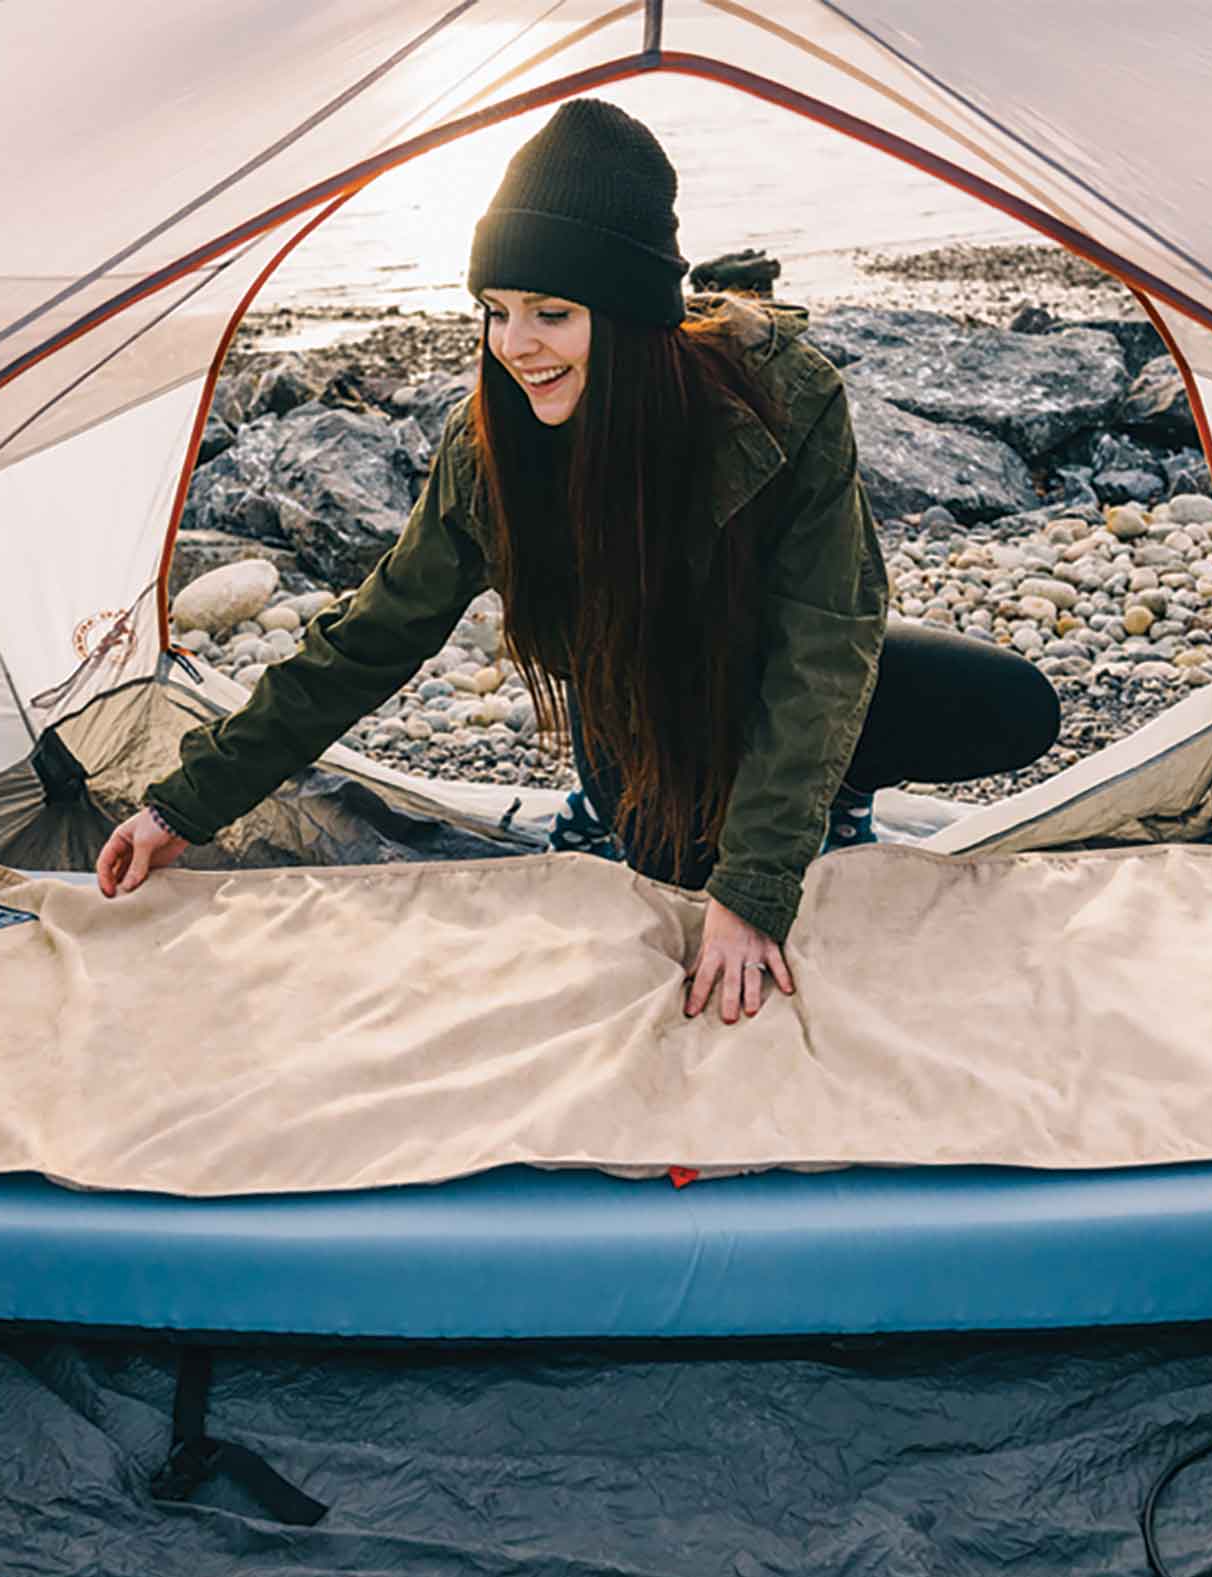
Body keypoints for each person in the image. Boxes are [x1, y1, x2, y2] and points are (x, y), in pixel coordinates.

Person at [97, 98, 1058, 1023]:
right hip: (637, 708)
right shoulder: (488, 455)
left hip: (767, 665)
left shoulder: (781, 403)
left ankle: (823, 793)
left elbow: (826, 638)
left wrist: (759, 884)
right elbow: (369, 642)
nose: (516, 346)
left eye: (551, 313)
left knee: (1012, 708)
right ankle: (609, 805)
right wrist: (185, 805)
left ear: (631, 317)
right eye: (496, 310)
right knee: (670, 900)